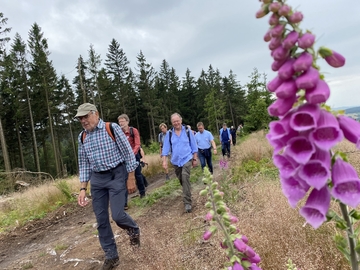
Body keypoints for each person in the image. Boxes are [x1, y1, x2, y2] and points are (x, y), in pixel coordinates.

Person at [76, 103, 140, 270]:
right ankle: (111, 255)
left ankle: (133, 230)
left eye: (85, 117)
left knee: (118, 216)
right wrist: (83, 189)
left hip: (116, 175)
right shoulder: (82, 137)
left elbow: (127, 152)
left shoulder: (111, 128)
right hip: (97, 180)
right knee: (101, 220)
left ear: (95, 114)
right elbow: (83, 164)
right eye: (80, 118)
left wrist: (131, 176)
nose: (83, 121)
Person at [161, 113, 198, 213]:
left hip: (187, 158)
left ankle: (187, 203)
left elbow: (194, 146)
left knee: (185, 177)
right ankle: (187, 191)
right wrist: (164, 161)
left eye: (177, 121)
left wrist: (195, 159)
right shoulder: (169, 134)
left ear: (181, 120)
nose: (176, 123)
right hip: (176, 161)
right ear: (172, 123)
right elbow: (165, 149)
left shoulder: (187, 131)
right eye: (174, 122)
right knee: (182, 180)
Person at [118, 114, 146, 210]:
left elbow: (137, 144)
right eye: (119, 122)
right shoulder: (118, 132)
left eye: (122, 121)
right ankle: (124, 202)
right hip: (123, 158)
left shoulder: (133, 131)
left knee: (137, 174)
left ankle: (142, 193)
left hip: (134, 155)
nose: (121, 123)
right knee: (124, 179)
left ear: (127, 122)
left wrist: (132, 154)